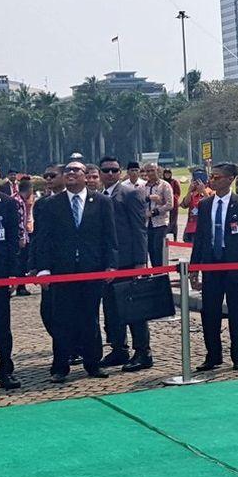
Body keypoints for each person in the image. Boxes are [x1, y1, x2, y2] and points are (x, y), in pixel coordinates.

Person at [36, 161, 118, 383]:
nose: (71, 174)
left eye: (76, 170)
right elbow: (43, 239)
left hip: (91, 270)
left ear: (86, 176)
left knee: (90, 317)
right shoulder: (51, 204)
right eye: (68, 171)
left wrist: (111, 265)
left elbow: (110, 237)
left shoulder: (102, 202)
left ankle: (93, 363)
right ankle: (60, 366)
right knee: (62, 319)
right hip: (63, 272)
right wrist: (43, 269)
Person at [189, 162, 238, 372]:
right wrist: (194, 268)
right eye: (212, 177)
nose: (212, 180)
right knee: (209, 312)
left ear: (230, 179)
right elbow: (200, 239)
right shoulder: (205, 205)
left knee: (237, 312)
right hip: (211, 265)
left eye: (217, 177)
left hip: (235, 265)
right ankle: (213, 356)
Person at [98, 156, 152, 372]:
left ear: (120, 172)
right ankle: (119, 349)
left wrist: (140, 262)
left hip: (129, 261)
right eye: (106, 170)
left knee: (133, 310)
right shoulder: (99, 196)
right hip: (107, 264)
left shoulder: (130, 193)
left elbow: (140, 229)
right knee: (112, 310)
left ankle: (143, 352)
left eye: (114, 170)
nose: (110, 174)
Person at [0, 155, 21, 389]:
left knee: (2, 325)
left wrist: (13, 274)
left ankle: (6, 370)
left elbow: (13, 241)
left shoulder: (7, 203)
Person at [28, 164, 65, 343]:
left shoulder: (76, 200)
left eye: (53, 175)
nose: (48, 179)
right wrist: (34, 264)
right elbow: (38, 235)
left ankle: (76, 347)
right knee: (48, 311)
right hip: (48, 264)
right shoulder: (41, 204)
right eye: (46, 176)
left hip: (72, 264)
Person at [143, 162, 173, 267]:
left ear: (158, 171)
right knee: (150, 250)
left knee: (158, 251)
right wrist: (148, 198)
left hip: (160, 223)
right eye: (148, 171)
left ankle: (161, 276)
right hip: (146, 223)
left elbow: (170, 204)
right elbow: (138, 202)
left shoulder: (165, 185)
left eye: (152, 170)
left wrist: (155, 212)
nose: (150, 173)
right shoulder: (143, 186)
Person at [181, 169, 213, 243]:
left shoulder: (210, 192)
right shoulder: (192, 193)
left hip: (205, 226)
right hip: (192, 226)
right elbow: (184, 204)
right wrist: (189, 191)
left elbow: (212, 204)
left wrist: (203, 191)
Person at [15, 178, 34, 296]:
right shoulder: (19, 202)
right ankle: (21, 287)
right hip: (19, 238)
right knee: (21, 263)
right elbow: (20, 221)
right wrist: (22, 237)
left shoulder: (14, 198)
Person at [162, 168, 181, 241]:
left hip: (173, 204)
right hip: (164, 204)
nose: (167, 175)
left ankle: (175, 237)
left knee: (173, 220)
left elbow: (178, 192)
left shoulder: (174, 182)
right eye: (166, 173)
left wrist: (172, 198)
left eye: (168, 173)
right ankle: (164, 235)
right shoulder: (162, 182)